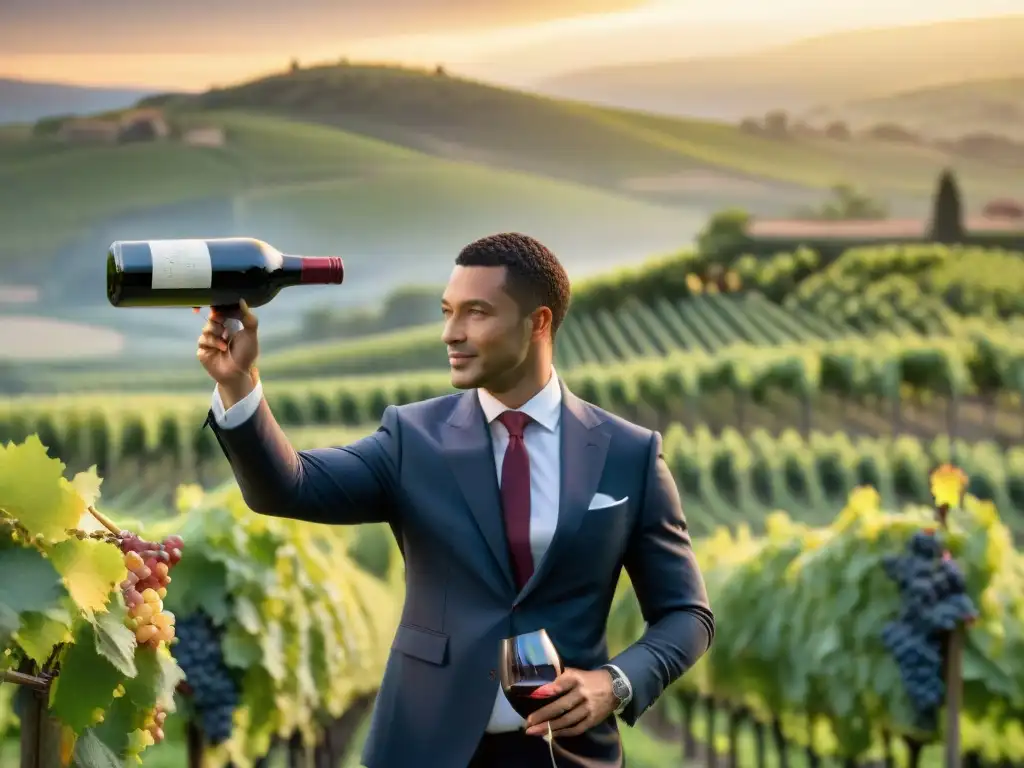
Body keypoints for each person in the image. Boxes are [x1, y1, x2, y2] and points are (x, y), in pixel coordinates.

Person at [198, 232, 715, 768]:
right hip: (423, 748)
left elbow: (686, 614)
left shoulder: (629, 453)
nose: (451, 333)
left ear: (538, 323)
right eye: (447, 312)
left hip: (567, 754)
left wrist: (615, 683)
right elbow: (290, 485)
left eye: (476, 313)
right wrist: (239, 385)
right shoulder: (412, 439)